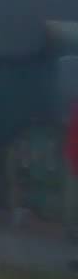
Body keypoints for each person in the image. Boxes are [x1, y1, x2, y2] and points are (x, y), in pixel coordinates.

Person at [65, 101, 78, 241]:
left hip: (72, 154)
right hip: (74, 156)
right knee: (73, 195)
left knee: (72, 194)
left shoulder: (74, 107)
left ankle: (71, 228)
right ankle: (71, 228)